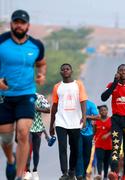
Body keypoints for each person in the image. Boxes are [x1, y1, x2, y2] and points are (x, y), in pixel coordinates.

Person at [0, 9, 46, 180]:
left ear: (28, 25)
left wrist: (41, 74)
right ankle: (10, 160)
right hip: (4, 96)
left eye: (22, 22)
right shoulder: (1, 42)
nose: (19, 25)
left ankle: (20, 175)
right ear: (11, 24)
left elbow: (41, 63)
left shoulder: (36, 45)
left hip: (26, 94)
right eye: (16, 22)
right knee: (5, 137)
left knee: (23, 133)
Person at [101, 64, 125, 180]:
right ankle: (114, 172)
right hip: (117, 120)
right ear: (117, 72)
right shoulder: (111, 85)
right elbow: (103, 98)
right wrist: (114, 83)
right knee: (116, 146)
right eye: (121, 71)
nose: (123, 72)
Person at [49, 63, 87, 180]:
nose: (65, 71)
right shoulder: (57, 87)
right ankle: (64, 173)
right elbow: (54, 106)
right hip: (61, 121)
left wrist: (84, 117)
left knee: (75, 148)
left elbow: (83, 101)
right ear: (61, 72)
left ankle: (72, 170)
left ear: (71, 71)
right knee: (62, 147)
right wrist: (51, 124)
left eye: (67, 69)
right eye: (63, 69)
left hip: (75, 121)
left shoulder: (78, 84)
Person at [23, 93, 51, 180]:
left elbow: (48, 109)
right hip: (27, 127)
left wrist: (36, 108)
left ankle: (35, 170)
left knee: (36, 151)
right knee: (27, 149)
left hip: (38, 128)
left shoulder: (40, 97)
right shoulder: (24, 97)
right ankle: (27, 171)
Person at [76, 100, 99, 180]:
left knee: (87, 155)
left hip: (88, 133)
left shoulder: (90, 104)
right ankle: (79, 174)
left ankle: (84, 173)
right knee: (78, 153)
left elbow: (98, 117)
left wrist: (86, 116)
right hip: (76, 132)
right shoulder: (74, 104)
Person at [94, 105, 112, 180]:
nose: (103, 111)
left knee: (106, 161)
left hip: (108, 144)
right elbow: (94, 131)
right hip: (99, 144)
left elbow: (114, 130)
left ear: (107, 111)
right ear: (99, 112)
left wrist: (107, 135)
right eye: (101, 110)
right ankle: (99, 175)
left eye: (105, 110)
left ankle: (105, 176)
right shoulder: (96, 121)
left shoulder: (111, 120)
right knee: (99, 159)